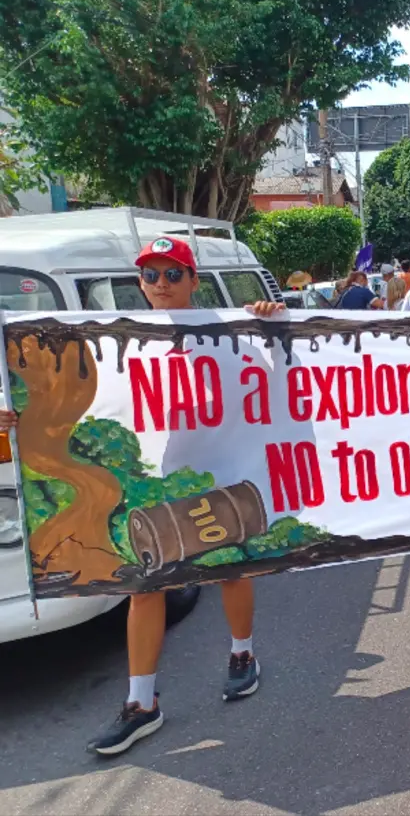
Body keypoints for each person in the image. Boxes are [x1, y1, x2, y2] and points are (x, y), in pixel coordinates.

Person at [0, 236, 285, 756]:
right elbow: (91, 403)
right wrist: (21, 415)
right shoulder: (122, 340)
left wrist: (277, 323)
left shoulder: (232, 333)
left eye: (172, 274)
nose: (160, 285)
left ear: (194, 281)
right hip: (156, 479)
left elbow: (280, 385)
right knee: (144, 587)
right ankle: (141, 704)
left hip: (221, 472)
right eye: (150, 276)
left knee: (231, 569)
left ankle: (243, 655)